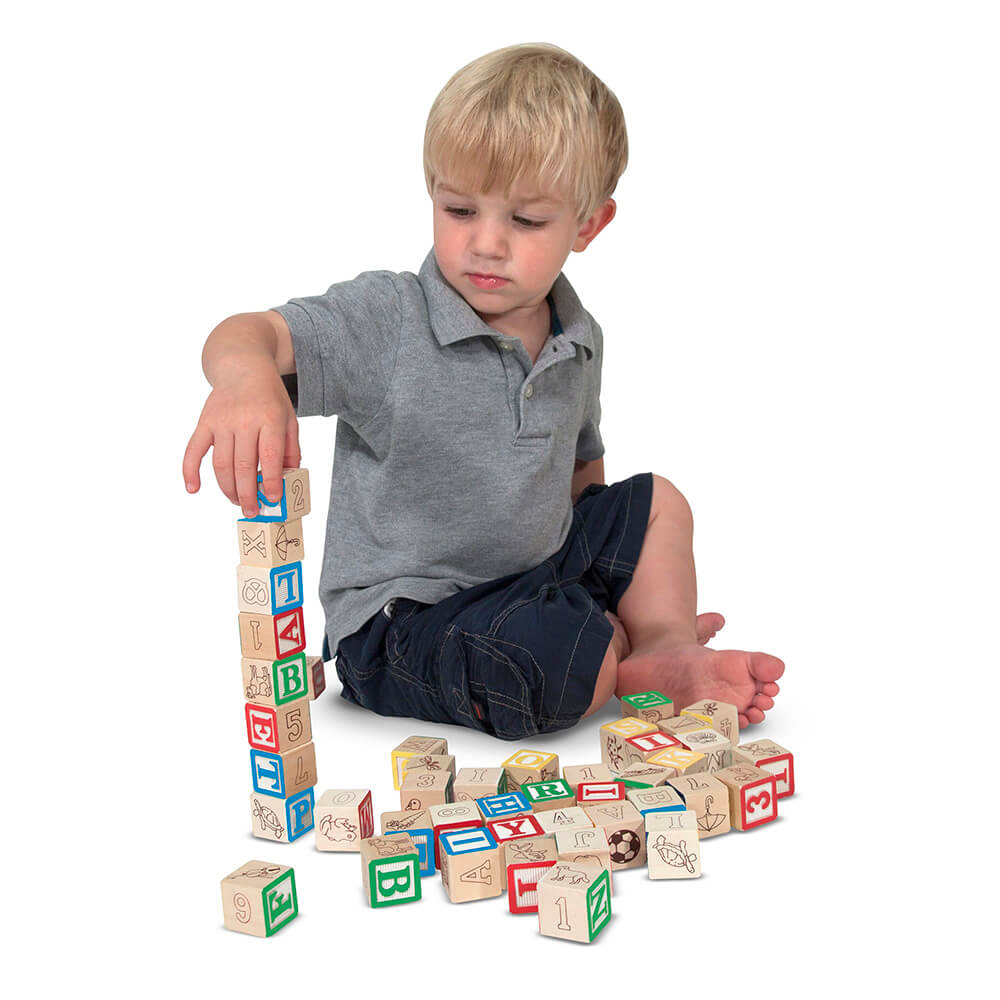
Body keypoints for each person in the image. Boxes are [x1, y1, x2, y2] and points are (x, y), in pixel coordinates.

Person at [183, 43, 784, 740]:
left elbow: (580, 472)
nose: (486, 244)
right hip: (404, 622)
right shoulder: (388, 318)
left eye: (525, 222)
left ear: (588, 225)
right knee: (558, 664)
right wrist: (245, 378)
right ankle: (603, 657)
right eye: (460, 210)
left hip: (532, 575)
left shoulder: (579, 334)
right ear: (432, 194)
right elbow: (246, 332)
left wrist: (600, 579)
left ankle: (660, 644)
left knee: (659, 505)